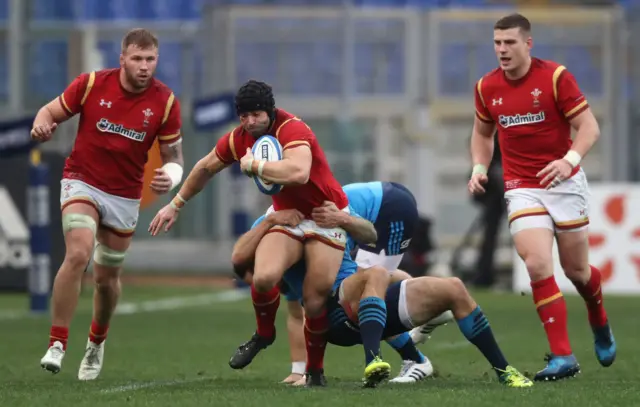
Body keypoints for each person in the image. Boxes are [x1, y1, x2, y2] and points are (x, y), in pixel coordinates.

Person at [149, 80, 365, 386]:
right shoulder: (239, 139)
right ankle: (264, 334)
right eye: (244, 115)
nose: (250, 121)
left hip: (324, 215)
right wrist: (175, 204)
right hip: (286, 216)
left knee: (314, 298)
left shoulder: (292, 129)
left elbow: (299, 172)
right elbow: (205, 167)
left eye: (257, 114)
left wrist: (256, 165)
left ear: (270, 111)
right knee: (263, 277)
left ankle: (315, 373)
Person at [468, 13, 616, 381]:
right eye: (497, 43)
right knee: (536, 264)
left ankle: (598, 316)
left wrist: (569, 161)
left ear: (528, 44)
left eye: (510, 43)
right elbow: (483, 134)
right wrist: (479, 168)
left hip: (564, 183)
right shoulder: (487, 87)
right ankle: (563, 356)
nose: (502, 50)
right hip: (522, 186)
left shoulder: (554, 77)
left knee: (577, 272)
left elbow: (589, 127)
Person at [236, 209, 533, 388]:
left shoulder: (329, 203)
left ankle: (505, 372)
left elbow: (370, 234)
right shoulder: (273, 221)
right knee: (376, 273)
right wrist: (269, 226)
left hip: (364, 299)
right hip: (331, 311)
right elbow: (241, 265)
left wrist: (343, 217)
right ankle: (374, 359)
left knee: (454, 287)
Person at [34, 28, 184, 380]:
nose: (144, 66)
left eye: (150, 59)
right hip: (82, 181)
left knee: (106, 279)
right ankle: (57, 342)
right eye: (137, 58)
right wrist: (42, 125)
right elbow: (49, 112)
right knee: (78, 253)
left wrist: (172, 175)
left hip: (124, 195)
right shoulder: (90, 85)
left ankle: (96, 343)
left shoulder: (165, 102)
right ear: (122, 59)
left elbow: (174, 155)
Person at [280, 181, 454, 383]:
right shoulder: (298, 237)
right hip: (387, 200)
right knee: (372, 283)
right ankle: (433, 309)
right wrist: (298, 370)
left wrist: (304, 372)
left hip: (390, 208)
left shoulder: (311, 232)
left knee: (367, 293)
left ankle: (416, 357)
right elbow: (296, 311)